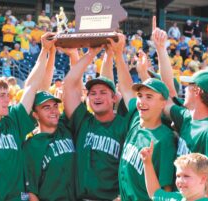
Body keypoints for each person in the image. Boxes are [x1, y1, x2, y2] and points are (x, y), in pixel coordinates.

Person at [0, 32, 56, 201]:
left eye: (7, 94)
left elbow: (31, 86)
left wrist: (44, 50)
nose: (7, 99)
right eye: (1, 95)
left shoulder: (14, 120)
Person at [152, 20, 208, 201]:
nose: (183, 89)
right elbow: (168, 94)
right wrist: (161, 50)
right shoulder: (186, 117)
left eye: (187, 85)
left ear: (197, 91)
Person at [110, 23, 176, 200]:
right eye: (140, 95)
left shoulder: (165, 139)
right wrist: (118, 53)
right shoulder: (136, 120)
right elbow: (125, 87)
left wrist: (160, 49)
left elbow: (165, 192)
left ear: (163, 103)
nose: (141, 101)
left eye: (149, 97)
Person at [63, 46, 129, 200]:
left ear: (114, 98)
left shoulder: (124, 125)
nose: (97, 97)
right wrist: (91, 52)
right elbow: (70, 84)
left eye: (103, 92)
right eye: (92, 93)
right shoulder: (82, 120)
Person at [24, 91, 76, 201]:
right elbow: (30, 192)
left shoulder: (65, 128)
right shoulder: (31, 146)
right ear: (35, 114)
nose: (53, 111)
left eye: (55, 106)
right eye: (46, 108)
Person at [141, 146, 208, 201]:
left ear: (203, 179)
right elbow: (154, 193)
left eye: (186, 176)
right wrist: (147, 162)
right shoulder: (176, 198)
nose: (180, 180)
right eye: (178, 176)